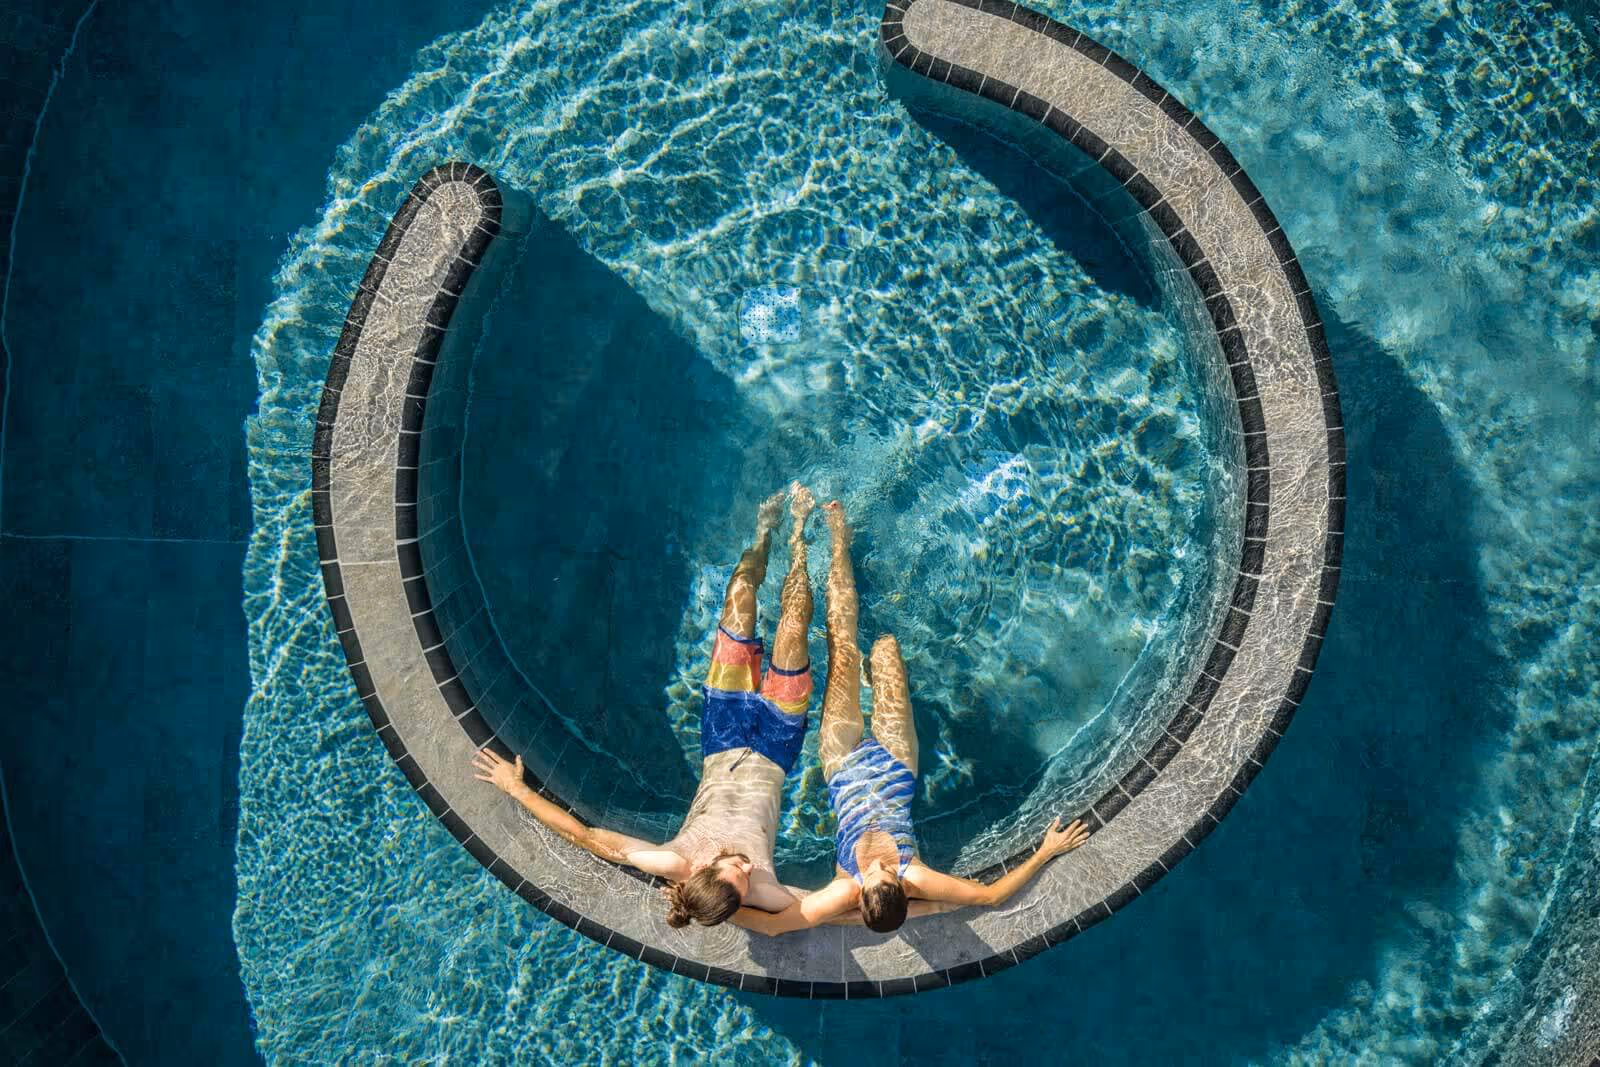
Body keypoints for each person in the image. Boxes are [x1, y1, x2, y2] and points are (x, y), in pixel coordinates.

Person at [732, 500, 1091, 937]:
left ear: (861, 895)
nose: (881, 865)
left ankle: (836, 537)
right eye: (890, 874)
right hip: (894, 765)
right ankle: (873, 647)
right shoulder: (914, 875)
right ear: (902, 887)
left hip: (843, 766)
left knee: (841, 649)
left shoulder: (845, 889)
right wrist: (1046, 852)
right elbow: (991, 895)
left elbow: (773, 928)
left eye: (876, 873)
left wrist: (710, 908)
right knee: (886, 653)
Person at [472, 483, 818, 928]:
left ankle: (765, 532)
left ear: (702, 870)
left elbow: (586, 836)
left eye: (738, 871)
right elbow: (842, 906)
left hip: (723, 730)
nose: (750, 868)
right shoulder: (767, 890)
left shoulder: (675, 860)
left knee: (740, 598)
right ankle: (799, 540)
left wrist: (515, 788)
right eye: (747, 880)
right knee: (794, 626)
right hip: (778, 743)